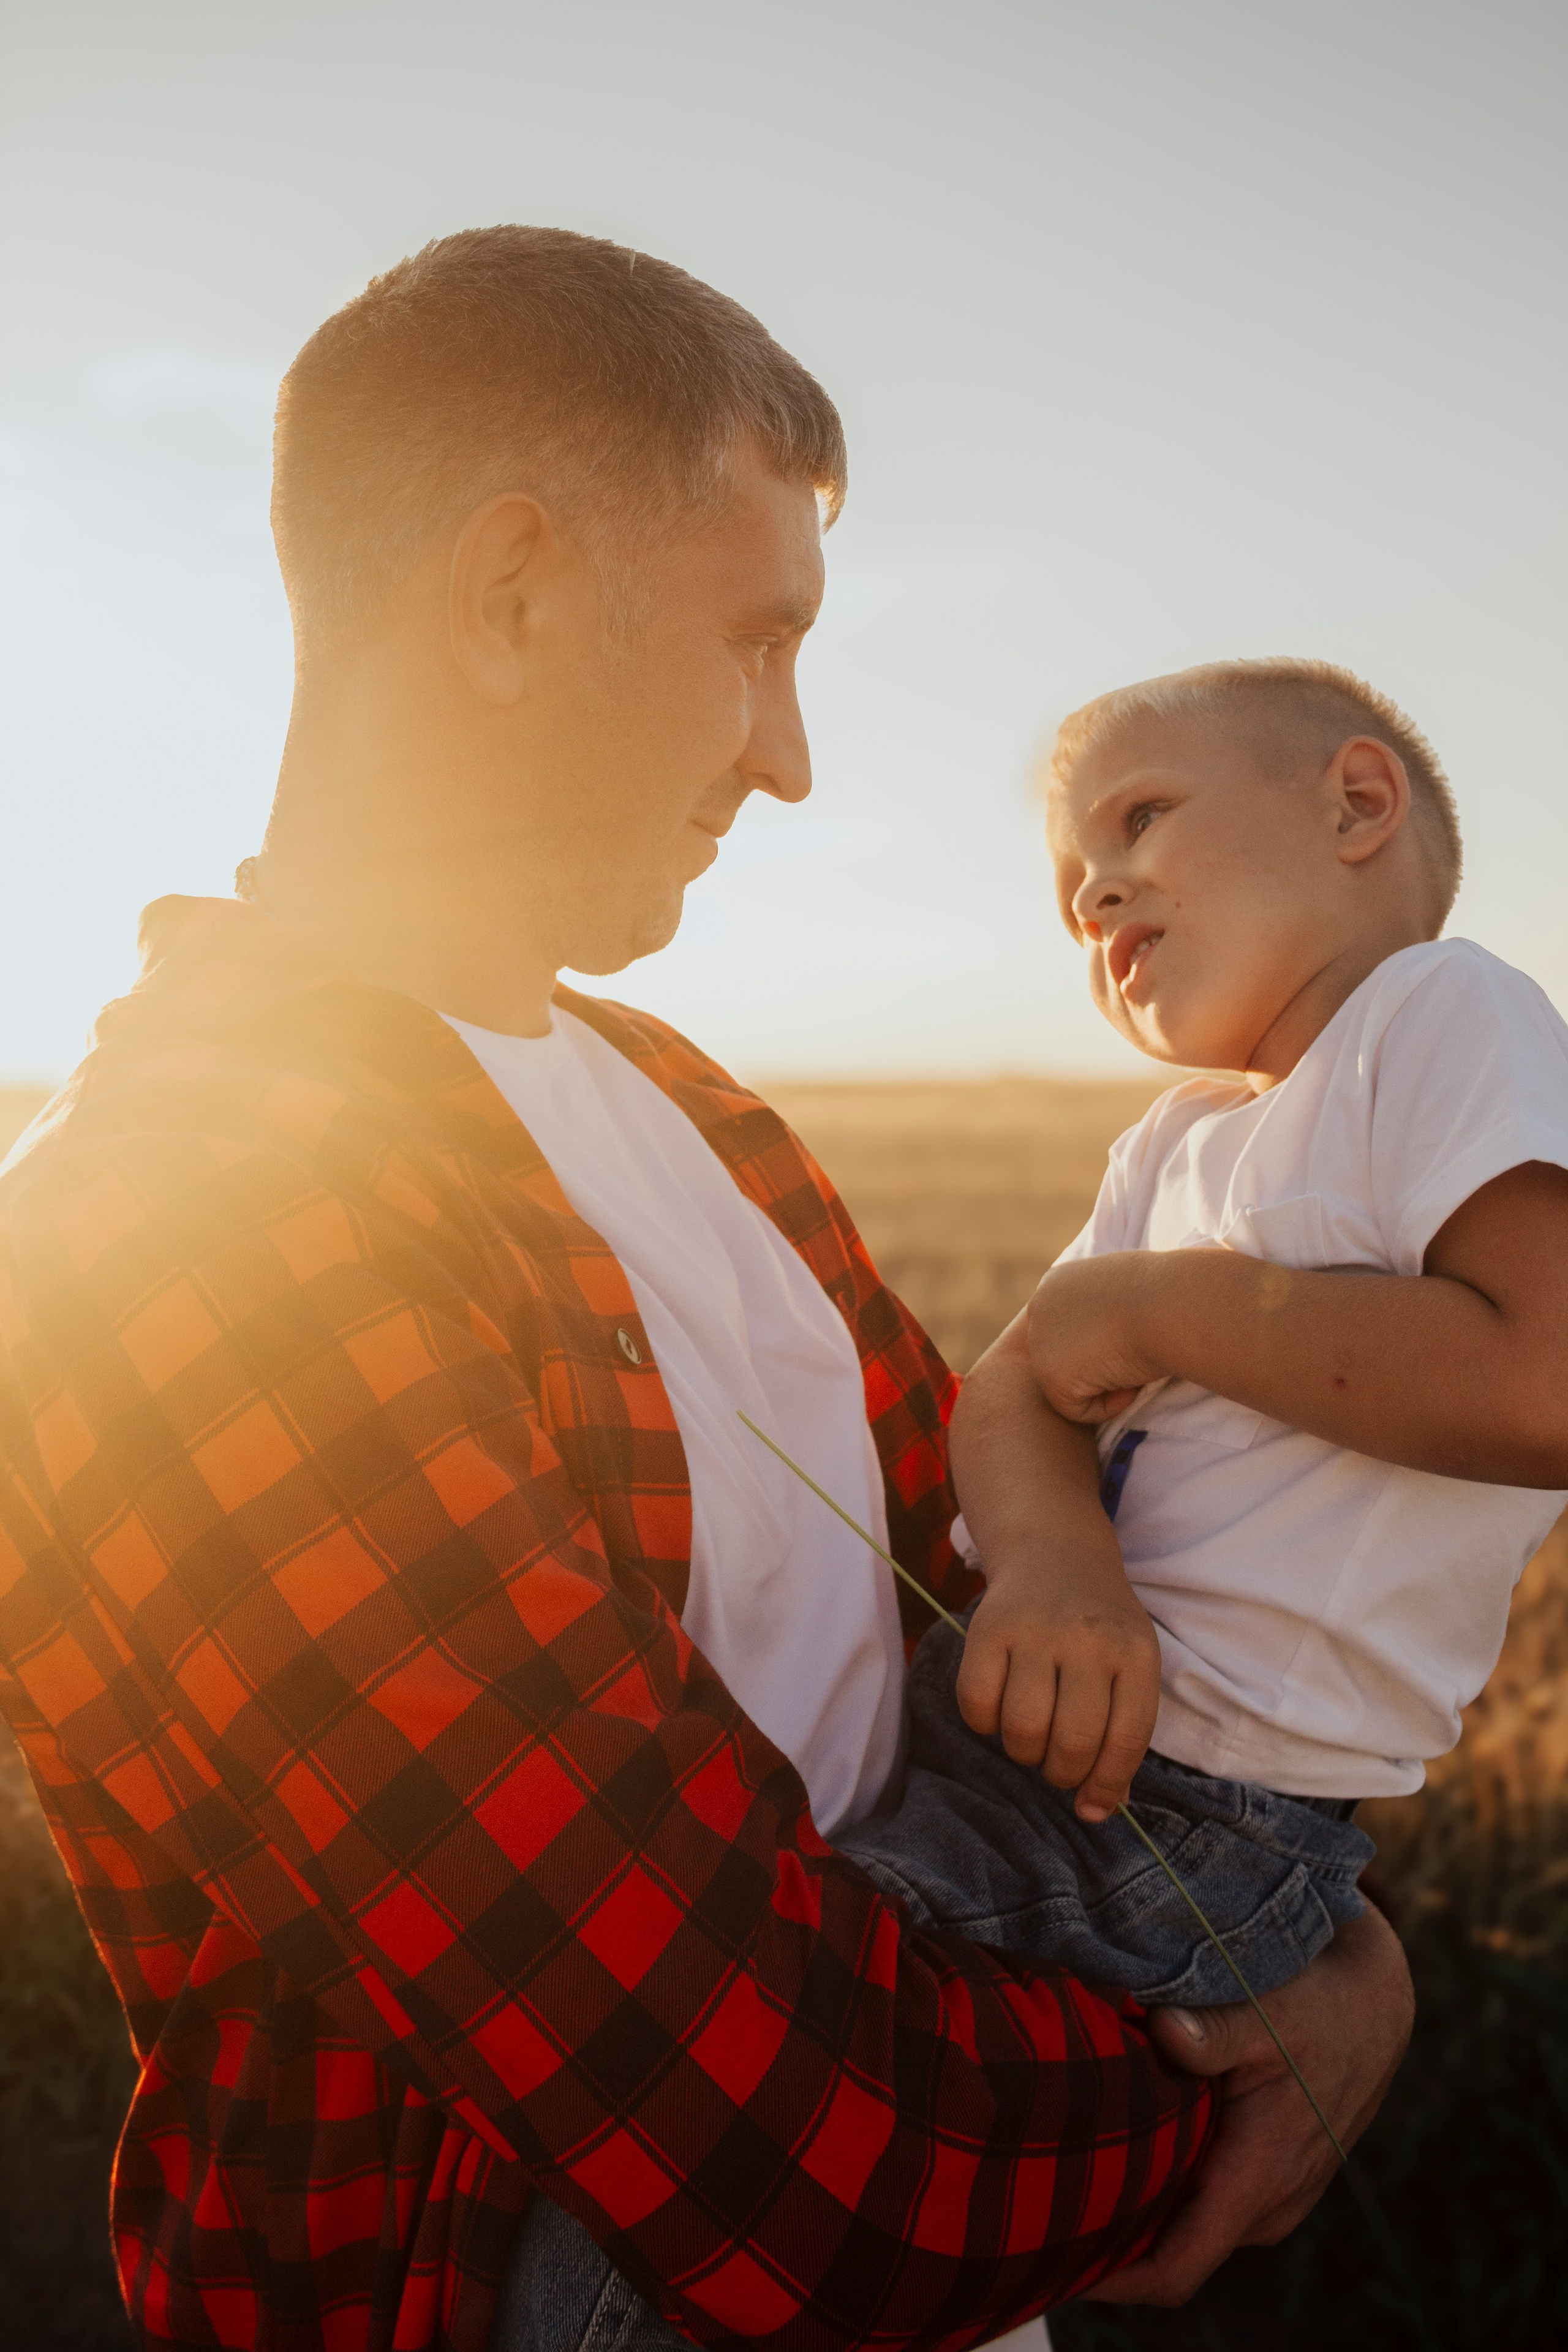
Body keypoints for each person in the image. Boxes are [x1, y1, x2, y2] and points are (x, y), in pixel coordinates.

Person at [0, 241, 1411, 2352]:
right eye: (759, 641)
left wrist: (1316, 1938)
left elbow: (1008, 1646)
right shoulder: (173, 1223)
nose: (794, 759)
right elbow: (795, 2147)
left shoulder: (684, 1108)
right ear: (512, 596)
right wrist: (1273, 2025)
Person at [841, 659, 1568, 2012]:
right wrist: (1056, 1570)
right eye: (1069, 890)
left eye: (1139, 820)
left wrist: (1152, 1308)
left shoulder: (1439, 1015)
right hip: (1021, 1704)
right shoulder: (1170, 1142)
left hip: (1184, 1808)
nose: (1092, 895)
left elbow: (1545, 1381)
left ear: (1355, 805)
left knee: (778, 2013)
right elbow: (1017, 1384)